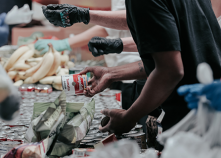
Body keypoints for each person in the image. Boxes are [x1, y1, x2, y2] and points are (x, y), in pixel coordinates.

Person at [42, 1, 221, 135]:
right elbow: (175, 54)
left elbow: (170, 70)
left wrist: (129, 117)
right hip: (209, 108)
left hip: (190, 117)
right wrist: (111, 73)